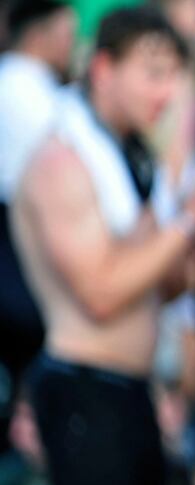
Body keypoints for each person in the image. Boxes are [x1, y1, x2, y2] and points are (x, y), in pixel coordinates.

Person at [8, 7, 195, 485]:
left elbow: (168, 285)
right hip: (84, 388)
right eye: (153, 71)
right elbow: (100, 292)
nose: (167, 90)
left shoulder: (133, 158)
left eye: (175, 74)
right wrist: (191, 220)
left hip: (132, 393)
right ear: (103, 68)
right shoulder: (61, 159)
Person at [0, 0, 76, 440]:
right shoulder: (20, 85)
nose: (71, 45)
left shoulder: (33, 85)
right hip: (19, 241)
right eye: (66, 34)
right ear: (39, 32)